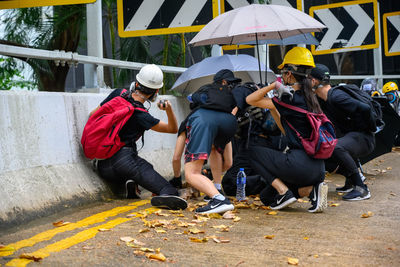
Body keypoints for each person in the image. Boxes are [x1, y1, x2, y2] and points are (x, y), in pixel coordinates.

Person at [90, 64, 187, 210]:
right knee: (168, 189)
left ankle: (130, 181)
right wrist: (169, 110)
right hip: (125, 160)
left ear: (136, 83)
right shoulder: (142, 115)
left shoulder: (118, 93)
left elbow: (93, 115)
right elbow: (173, 129)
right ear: (156, 92)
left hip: (102, 165)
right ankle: (139, 182)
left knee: (134, 170)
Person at [246, 47, 328, 213]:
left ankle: (284, 192)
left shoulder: (288, 98)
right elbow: (287, 130)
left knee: (251, 152)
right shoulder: (311, 98)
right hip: (317, 168)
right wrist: (273, 107)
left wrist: (272, 85)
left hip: (300, 165)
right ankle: (312, 190)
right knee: (266, 197)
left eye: (283, 73)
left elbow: (250, 99)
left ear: (289, 74)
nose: (282, 77)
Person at [310, 63, 374, 201]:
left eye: (309, 80)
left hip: (364, 138)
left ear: (314, 81)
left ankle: (361, 188)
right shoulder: (324, 100)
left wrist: (369, 128)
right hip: (355, 137)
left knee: (336, 147)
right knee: (323, 150)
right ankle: (350, 183)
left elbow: (365, 109)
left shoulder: (336, 96)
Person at [184, 69, 240, 214]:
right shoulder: (233, 92)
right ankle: (217, 187)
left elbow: (191, 98)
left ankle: (217, 199)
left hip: (204, 121)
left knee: (191, 173)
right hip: (229, 123)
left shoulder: (208, 89)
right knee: (216, 150)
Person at [222, 82, 287, 196]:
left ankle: (272, 183)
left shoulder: (239, 93)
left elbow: (231, 116)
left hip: (253, 144)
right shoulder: (263, 95)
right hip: (272, 144)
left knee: (229, 183)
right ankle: (274, 181)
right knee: (250, 171)